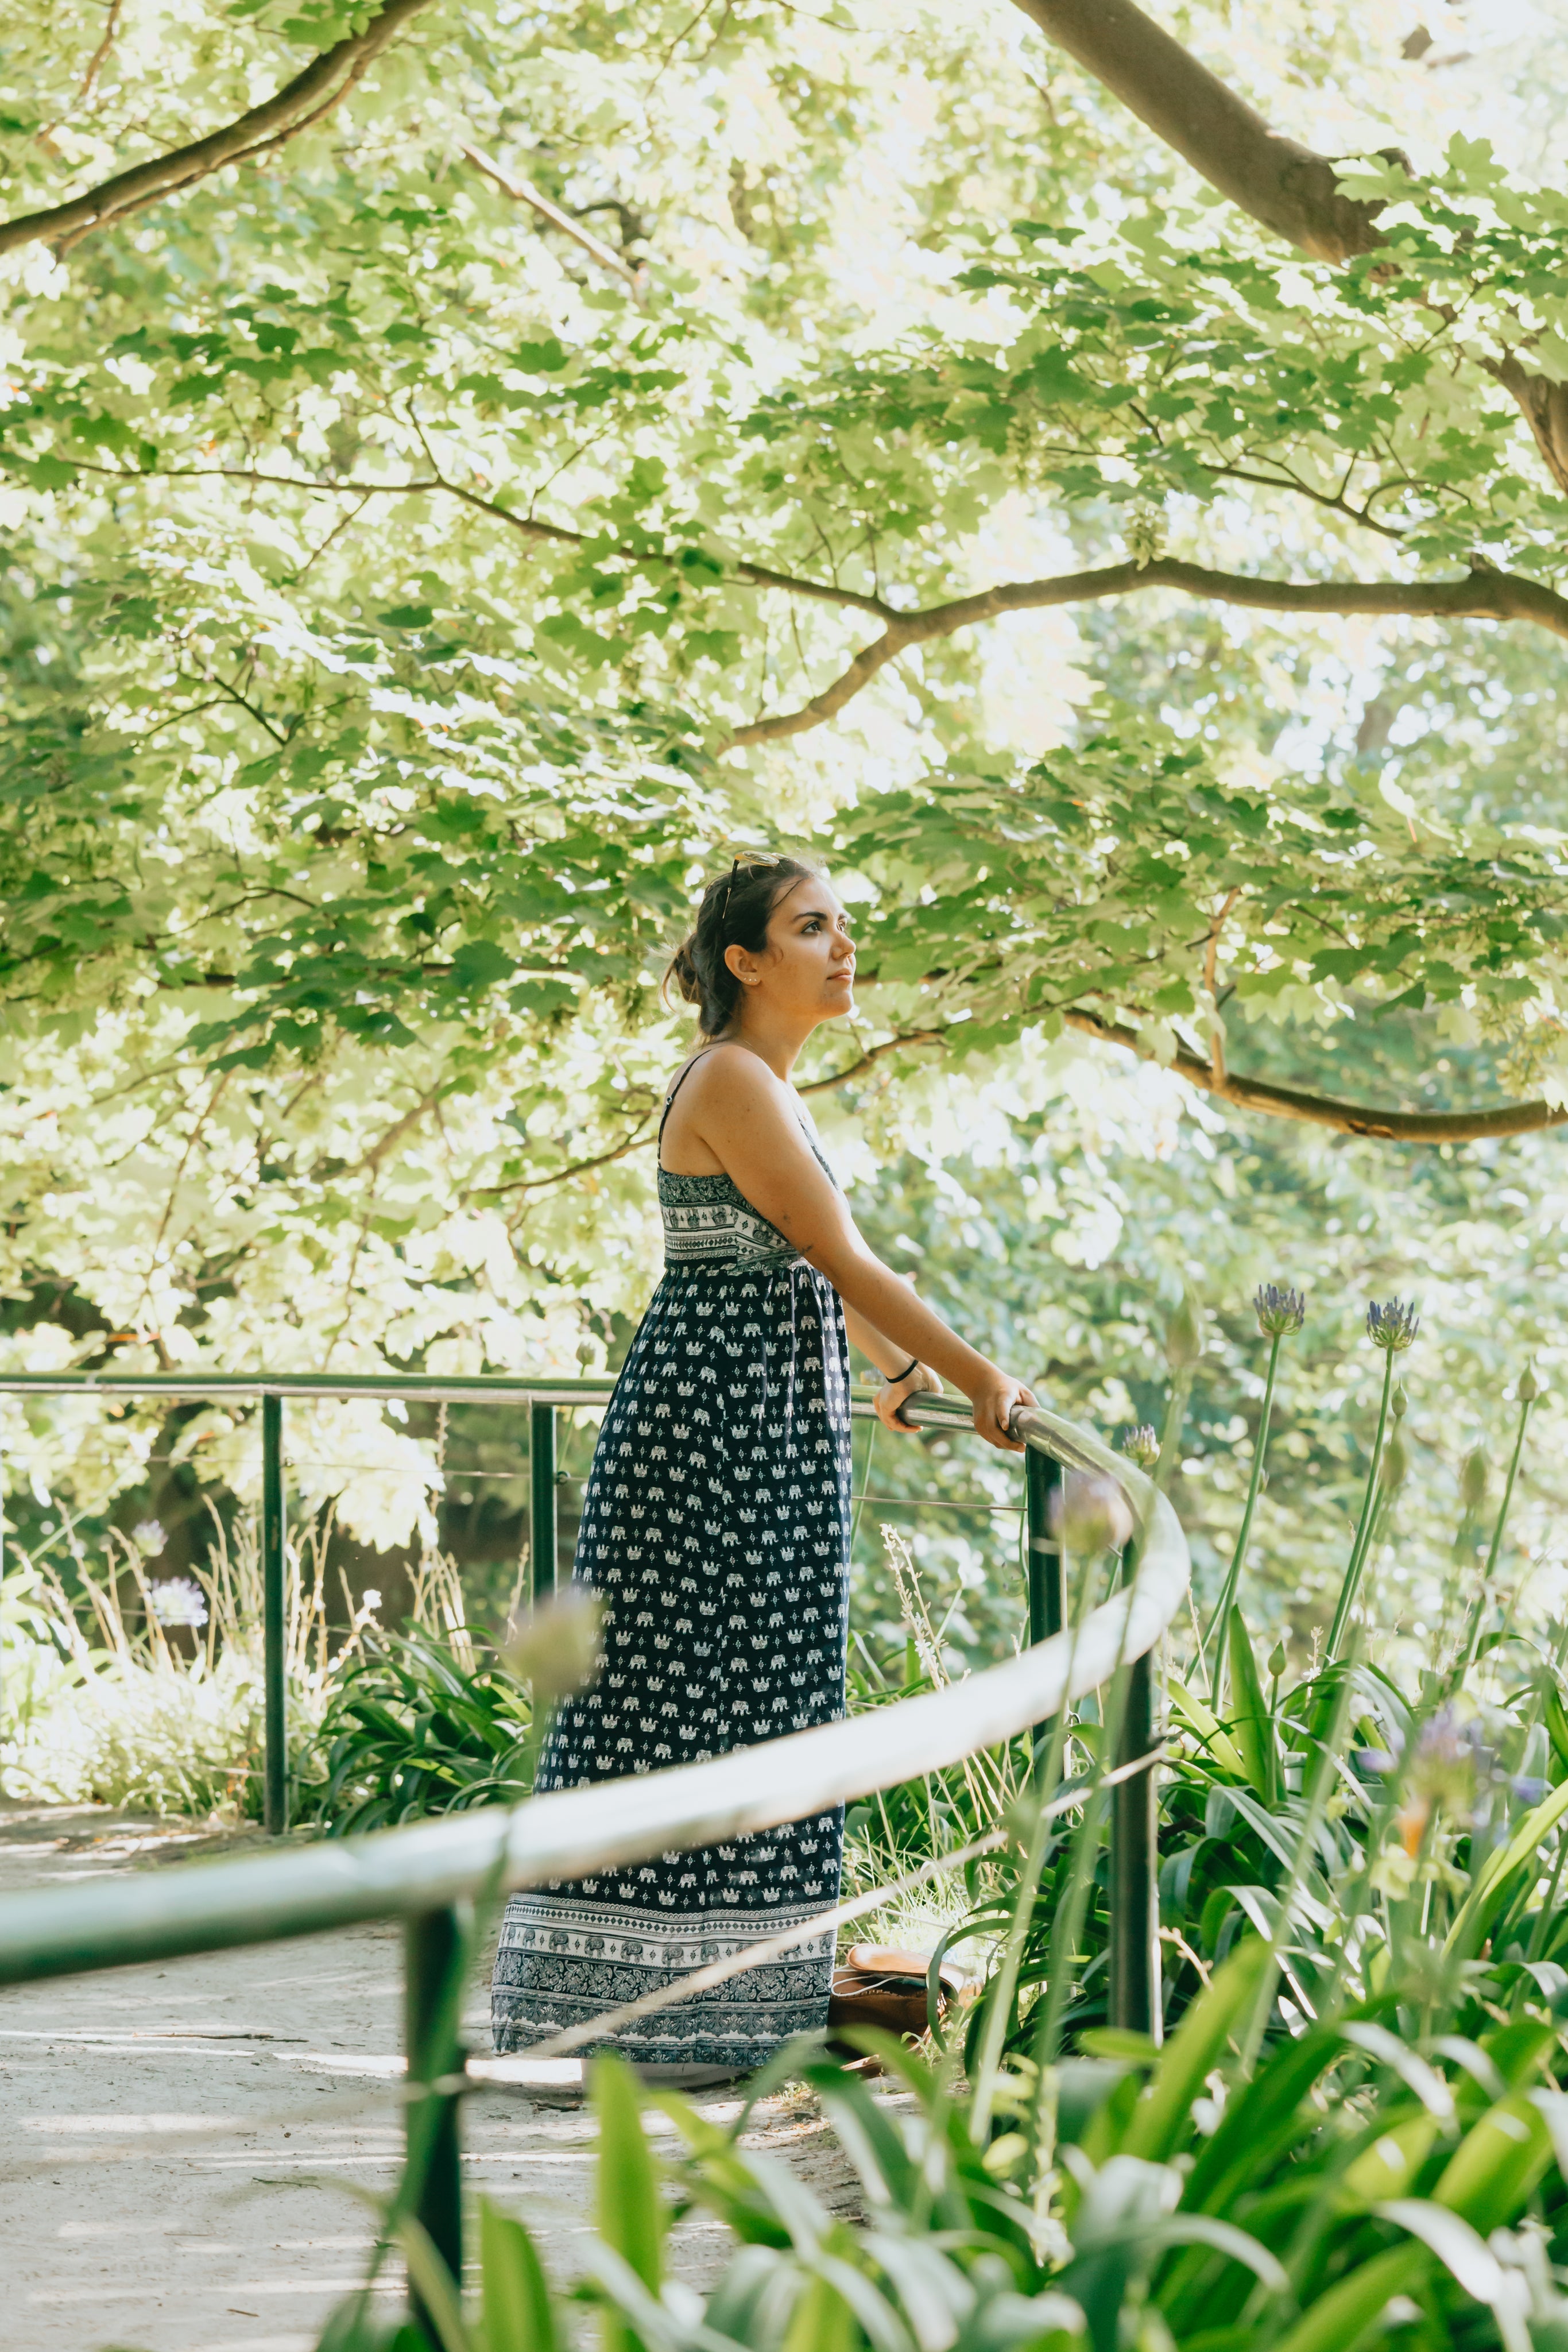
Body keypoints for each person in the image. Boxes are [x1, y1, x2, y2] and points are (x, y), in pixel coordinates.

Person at [490, 854, 1036, 2084]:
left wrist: (894, 1370)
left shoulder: (765, 1085)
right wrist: (975, 1375)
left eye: (846, 924)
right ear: (744, 961)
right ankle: (653, 2016)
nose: (844, 947)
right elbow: (829, 1248)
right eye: (812, 928)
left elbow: (810, 1267)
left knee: (760, 1694)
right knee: (690, 1700)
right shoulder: (734, 1077)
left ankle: (729, 2000)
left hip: (760, 1429)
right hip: (714, 1442)